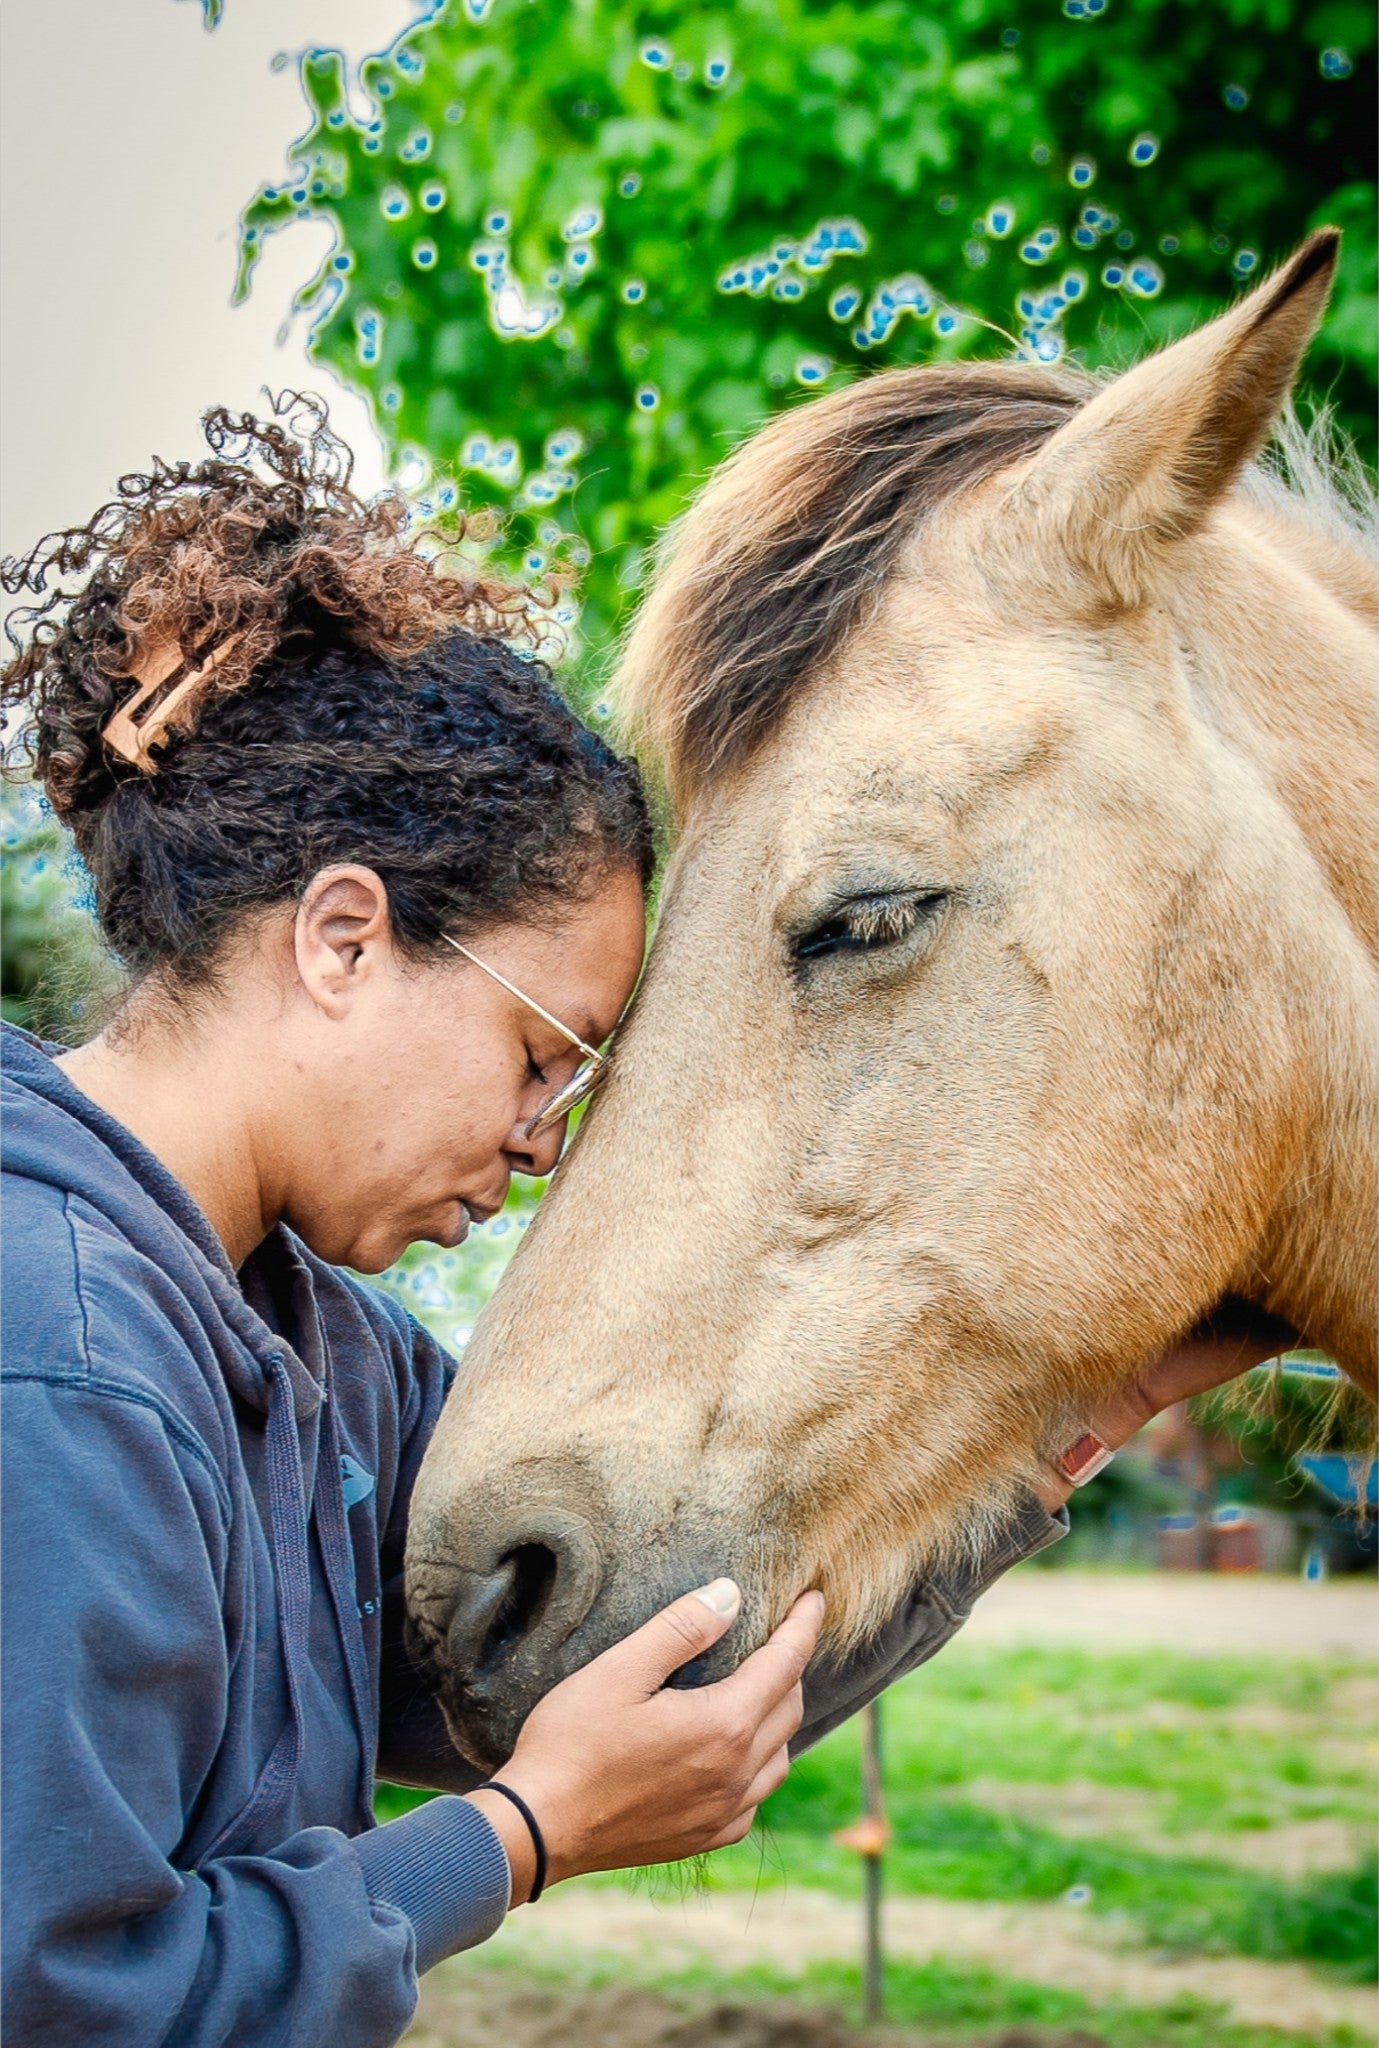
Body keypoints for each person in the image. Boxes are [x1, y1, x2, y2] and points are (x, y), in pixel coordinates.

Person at [0, 400, 1286, 2048]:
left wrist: (1077, 1420)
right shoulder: (66, 1362)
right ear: (340, 942)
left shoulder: (321, 1345)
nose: (547, 1143)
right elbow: (65, 2004)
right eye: (544, 1054)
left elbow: (594, 1680)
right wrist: (519, 1844)